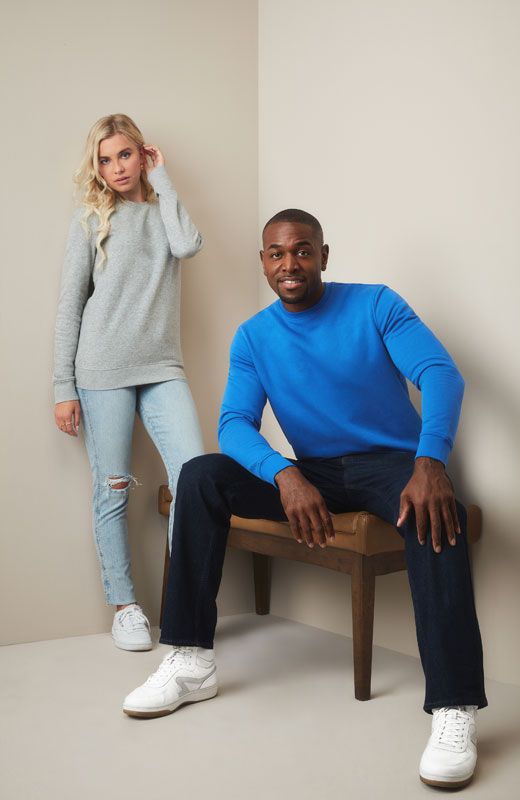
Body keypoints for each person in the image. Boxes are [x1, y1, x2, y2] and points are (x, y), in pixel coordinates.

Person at [123, 209, 487, 788]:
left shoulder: (376, 304)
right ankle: (191, 661)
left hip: (390, 464)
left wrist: (430, 461)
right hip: (312, 473)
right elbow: (234, 424)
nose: (289, 263)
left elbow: (441, 374)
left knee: (436, 513)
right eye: (277, 253)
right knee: (201, 474)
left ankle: (454, 705)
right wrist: (284, 475)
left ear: (323, 255)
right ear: (263, 262)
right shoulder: (254, 336)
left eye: (302, 250)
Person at [53, 114, 204, 652]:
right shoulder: (90, 220)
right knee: (113, 489)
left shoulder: (166, 215)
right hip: (102, 370)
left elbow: (188, 246)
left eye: (125, 154)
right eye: (105, 159)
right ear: (96, 166)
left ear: (143, 155)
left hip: (162, 367)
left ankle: (184, 608)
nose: (116, 167)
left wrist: (162, 180)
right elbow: (70, 307)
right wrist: (63, 387)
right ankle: (125, 608)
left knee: (194, 481)